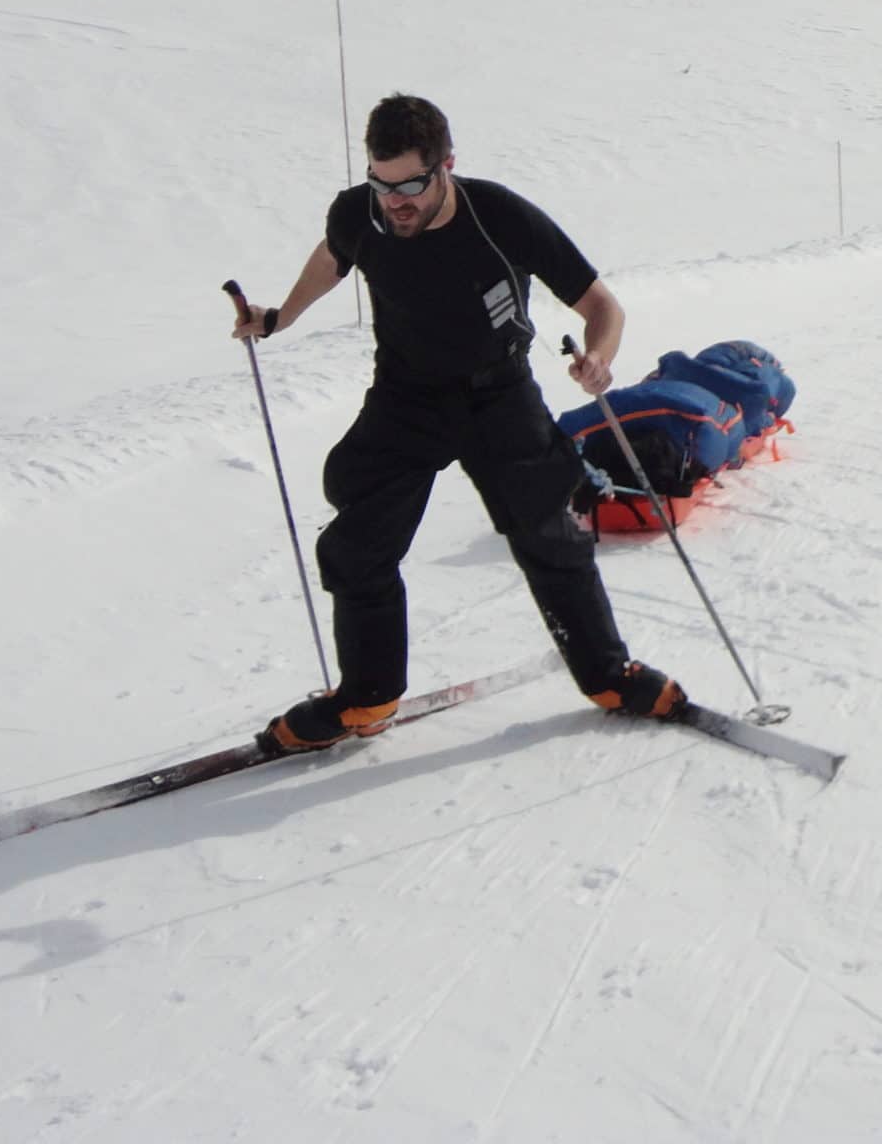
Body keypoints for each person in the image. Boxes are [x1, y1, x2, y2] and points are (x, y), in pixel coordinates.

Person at [231, 93, 685, 750]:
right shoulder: (361, 213)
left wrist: (600, 359)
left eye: (412, 185)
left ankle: (609, 676)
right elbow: (335, 255)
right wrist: (283, 316)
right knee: (357, 546)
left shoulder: (500, 216)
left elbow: (600, 304)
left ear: (447, 164)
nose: (396, 202)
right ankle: (367, 698)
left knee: (547, 535)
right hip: (406, 397)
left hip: (498, 395)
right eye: (382, 186)